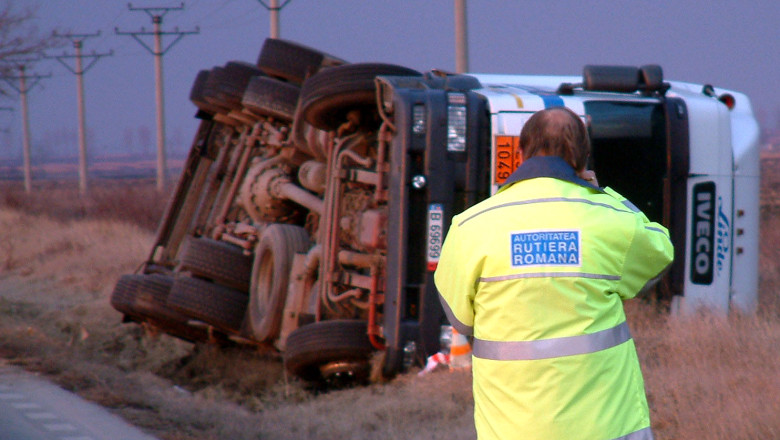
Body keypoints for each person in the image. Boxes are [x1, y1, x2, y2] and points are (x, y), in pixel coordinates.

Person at [434, 107, 673, 440]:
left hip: (511, 431)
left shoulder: (470, 227)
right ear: (582, 159)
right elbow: (660, 253)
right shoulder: (608, 218)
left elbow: (461, 320)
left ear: (520, 153)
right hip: (608, 429)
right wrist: (603, 194)